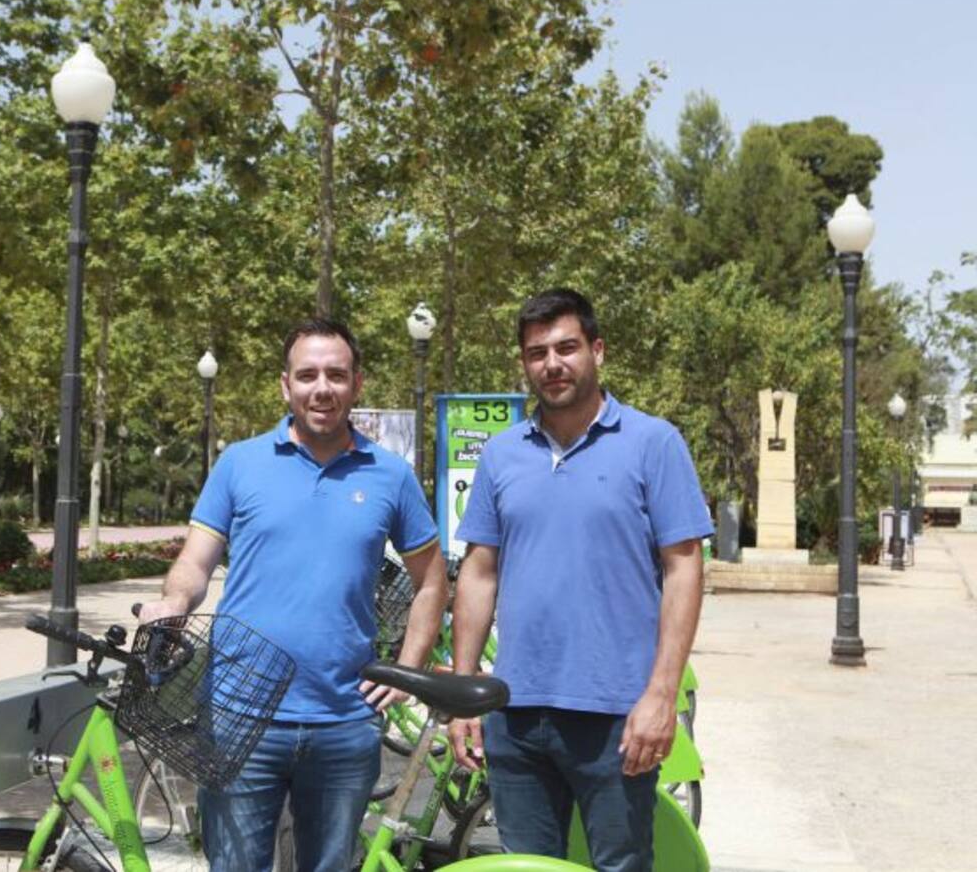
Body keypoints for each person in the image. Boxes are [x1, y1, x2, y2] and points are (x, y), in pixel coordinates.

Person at [138, 318, 448, 872]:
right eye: (307, 375)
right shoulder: (239, 462)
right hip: (238, 716)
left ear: (358, 384)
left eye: (336, 374)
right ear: (286, 386)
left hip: (344, 721)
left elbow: (431, 579)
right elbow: (195, 560)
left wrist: (406, 667)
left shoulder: (390, 475)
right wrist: (174, 604)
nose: (321, 388)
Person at [447, 288, 711, 872]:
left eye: (567, 347)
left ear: (597, 350)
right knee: (527, 868)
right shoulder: (500, 455)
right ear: (524, 363)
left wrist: (661, 696)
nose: (552, 363)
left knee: (621, 864)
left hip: (616, 715)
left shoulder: (653, 443)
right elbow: (479, 572)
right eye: (537, 352)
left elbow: (684, 567)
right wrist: (466, 691)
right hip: (515, 715)